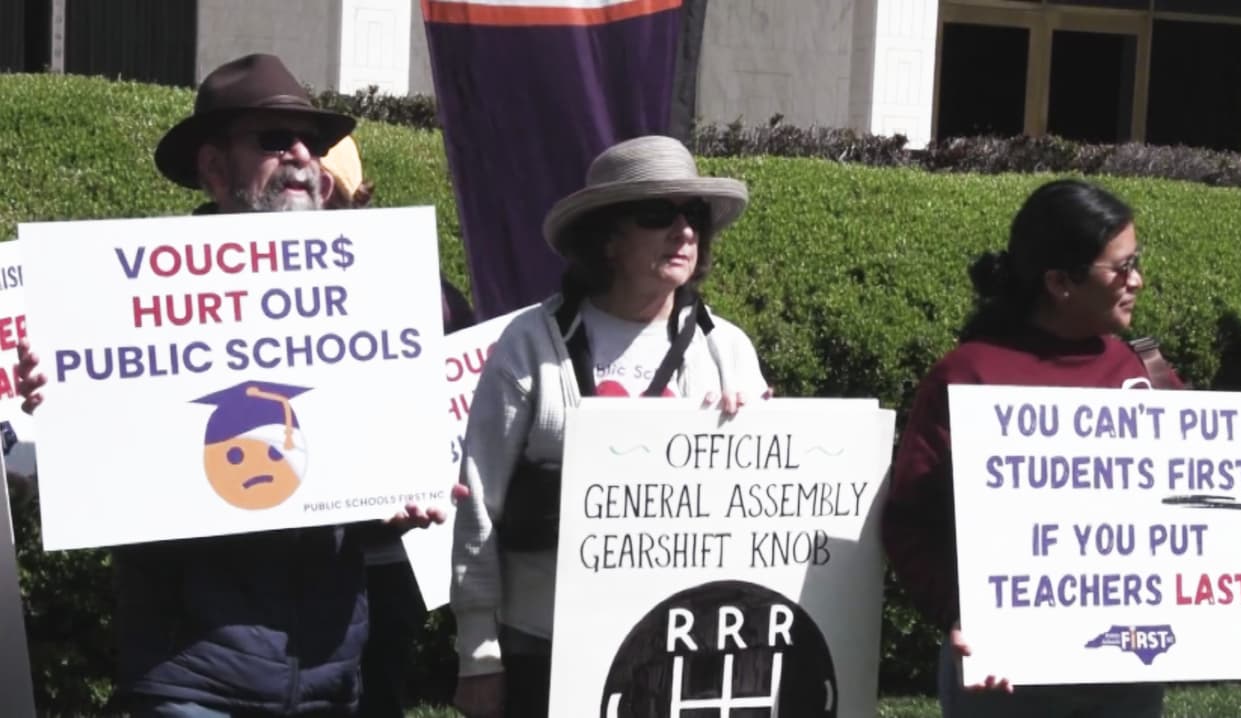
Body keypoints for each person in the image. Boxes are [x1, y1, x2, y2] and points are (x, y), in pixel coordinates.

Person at [16, 53, 443, 717]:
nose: (302, 156)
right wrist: (61, 405)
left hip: (330, 680)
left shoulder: (363, 300)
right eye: (275, 140)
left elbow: (339, 488)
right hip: (193, 684)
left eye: (313, 143)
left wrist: (394, 501)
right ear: (215, 168)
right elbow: (105, 479)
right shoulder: (117, 307)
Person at [449, 135, 770, 718]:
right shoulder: (530, 345)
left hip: (683, 652)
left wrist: (748, 433)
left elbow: (761, 510)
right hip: (544, 646)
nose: (684, 231)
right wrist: (479, 655)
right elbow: (479, 503)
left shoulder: (727, 351)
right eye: (657, 214)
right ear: (607, 239)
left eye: (694, 215)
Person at [883, 178, 1180, 718]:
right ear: (1060, 282)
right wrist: (959, 612)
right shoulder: (970, 374)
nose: (1137, 280)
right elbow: (910, 523)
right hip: (1007, 678)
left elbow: (1203, 521)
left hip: (1127, 676)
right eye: (1122, 267)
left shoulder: (1144, 371)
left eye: (1136, 262)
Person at [318, 134, 477, 718]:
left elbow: (463, 394)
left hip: (383, 561)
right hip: (271, 571)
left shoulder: (421, 292)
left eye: (329, 192)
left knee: (376, 694)